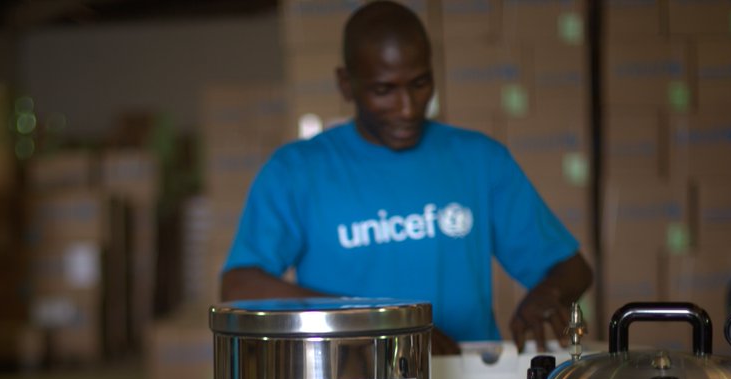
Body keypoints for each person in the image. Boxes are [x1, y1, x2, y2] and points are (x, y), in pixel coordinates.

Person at [219, 0, 592, 354]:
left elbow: (572, 269)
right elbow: (239, 285)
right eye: (385, 90)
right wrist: (383, 328)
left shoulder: (479, 159)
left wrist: (550, 294)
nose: (408, 108)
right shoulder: (296, 171)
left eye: (419, 84)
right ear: (346, 84)